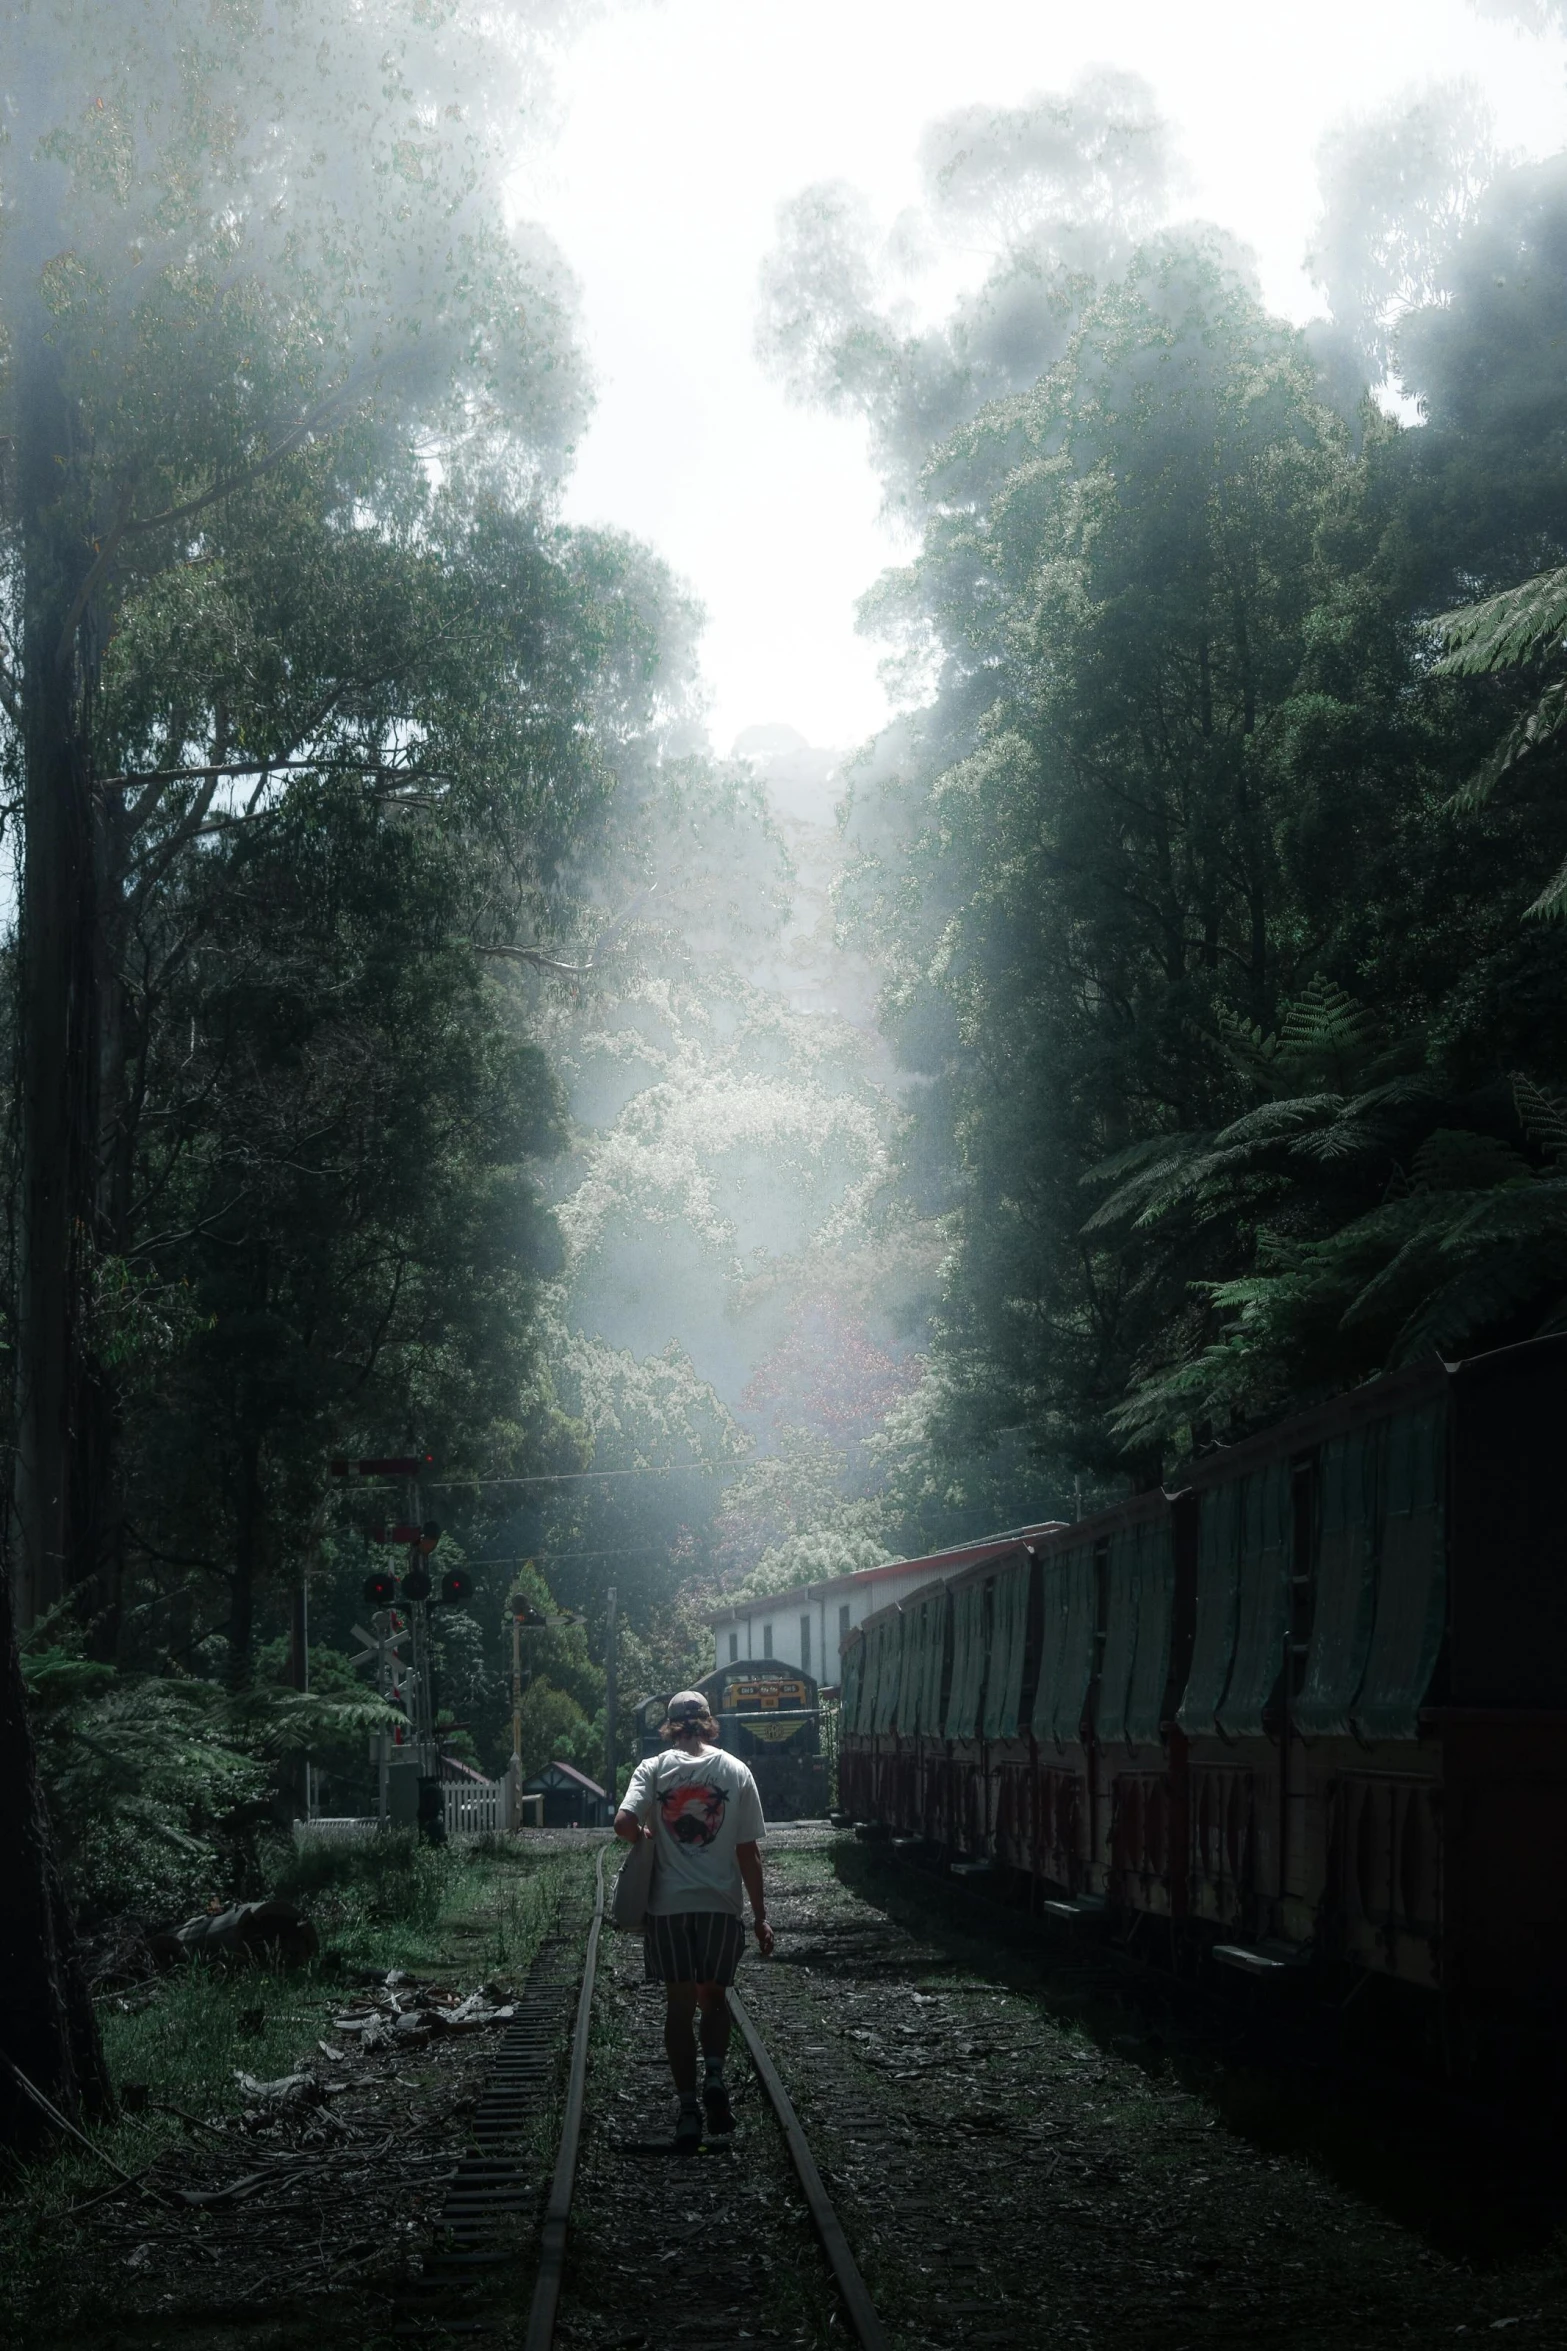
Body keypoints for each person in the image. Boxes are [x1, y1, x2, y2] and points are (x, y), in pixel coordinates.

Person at [614, 1689, 774, 2151]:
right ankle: (716, 2078)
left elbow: (623, 1824)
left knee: (679, 2009)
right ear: (708, 1723)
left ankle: (687, 2110)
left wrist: (645, 1833)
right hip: (720, 1908)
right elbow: (749, 1853)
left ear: (669, 1726)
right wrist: (761, 1918)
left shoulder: (654, 1768)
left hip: (668, 1909)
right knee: (715, 2000)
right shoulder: (735, 1771)